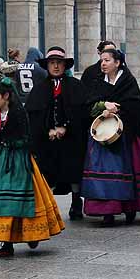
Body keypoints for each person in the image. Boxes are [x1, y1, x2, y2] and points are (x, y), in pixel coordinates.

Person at [0, 76, 64, 257]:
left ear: (6, 96)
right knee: (0, 202)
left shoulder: (18, 113)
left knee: (21, 200)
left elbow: (26, 138)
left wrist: (9, 142)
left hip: (18, 162)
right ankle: (6, 243)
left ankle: (32, 234)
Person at [80, 47, 140, 222]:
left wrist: (119, 109)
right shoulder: (96, 81)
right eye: (102, 60)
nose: (103, 64)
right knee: (104, 172)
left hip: (125, 134)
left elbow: (136, 105)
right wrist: (103, 106)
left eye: (107, 60)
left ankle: (129, 207)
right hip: (102, 136)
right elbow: (88, 104)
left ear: (117, 63)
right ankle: (107, 211)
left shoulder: (128, 81)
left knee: (127, 170)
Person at [26, 46, 90, 218]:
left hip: (72, 140)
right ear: (47, 65)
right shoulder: (39, 88)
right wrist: (47, 130)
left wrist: (66, 127)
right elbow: (34, 114)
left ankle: (76, 202)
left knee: (73, 171)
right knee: (48, 172)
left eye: (59, 63)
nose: (55, 66)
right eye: (52, 63)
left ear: (65, 65)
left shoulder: (76, 86)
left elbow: (82, 112)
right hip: (47, 141)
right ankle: (49, 207)